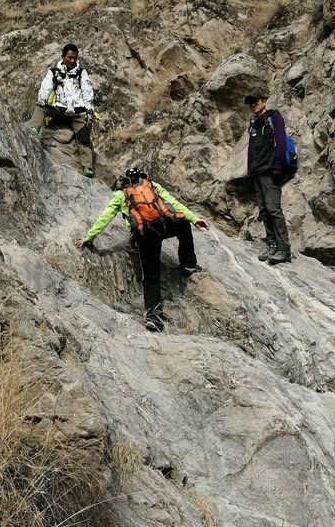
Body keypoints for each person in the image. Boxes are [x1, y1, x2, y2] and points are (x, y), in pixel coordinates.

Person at [76, 167, 208, 332]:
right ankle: (188, 263)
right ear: (142, 178)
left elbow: (105, 217)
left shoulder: (121, 194)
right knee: (184, 225)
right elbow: (174, 203)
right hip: (165, 226)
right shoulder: (153, 186)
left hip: (145, 235)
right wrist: (195, 219)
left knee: (151, 275)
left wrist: (89, 237)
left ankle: (153, 317)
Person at [29, 43, 96, 178]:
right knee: (41, 107)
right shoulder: (54, 72)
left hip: (78, 111)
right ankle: (34, 129)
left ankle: (87, 166)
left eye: (74, 58)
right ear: (63, 57)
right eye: (69, 57)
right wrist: (42, 98)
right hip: (60, 108)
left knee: (83, 136)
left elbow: (87, 91)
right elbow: (46, 87)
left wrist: (89, 111)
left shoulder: (81, 73)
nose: (72, 61)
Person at [245, 91, 292, 265]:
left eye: (256, 101)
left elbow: (280, 142)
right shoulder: (253, 124)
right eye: (250, 102)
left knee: (273, 209)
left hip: (270, 171)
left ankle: (284, 249)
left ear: (264, 101)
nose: (253, 104)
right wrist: (250, 173)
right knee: (264, 210)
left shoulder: (274, 117)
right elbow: (251, 151)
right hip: (258, 173)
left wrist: (278, 166)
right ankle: (272, 244)